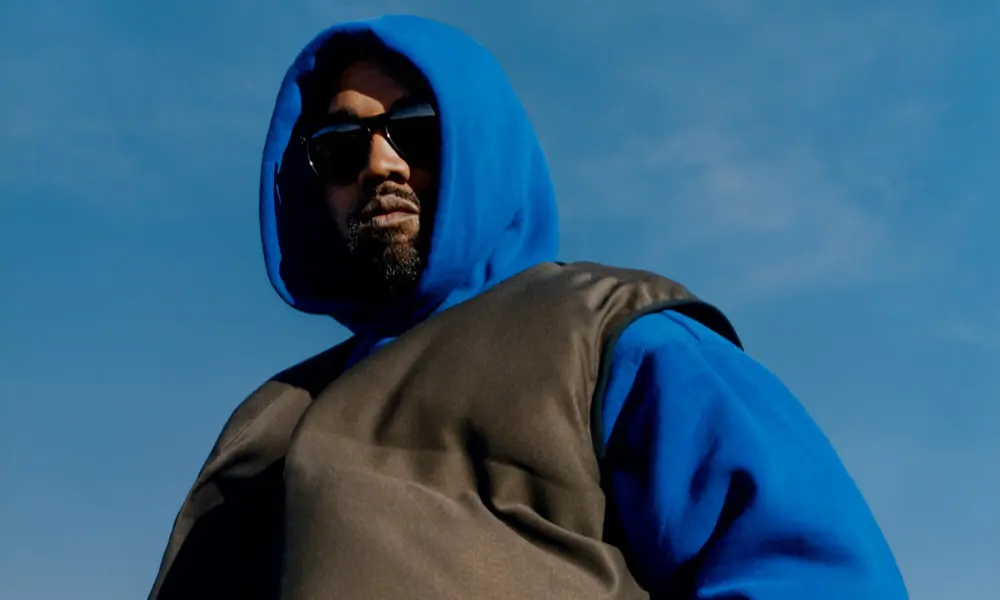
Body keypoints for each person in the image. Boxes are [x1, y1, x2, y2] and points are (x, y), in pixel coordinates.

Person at [147, 15, 908, 600]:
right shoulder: (269, 422)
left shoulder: (608, 336)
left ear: (482, 143)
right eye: (342, 145)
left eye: (414, 130)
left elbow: (815, 575)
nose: (380, 163)